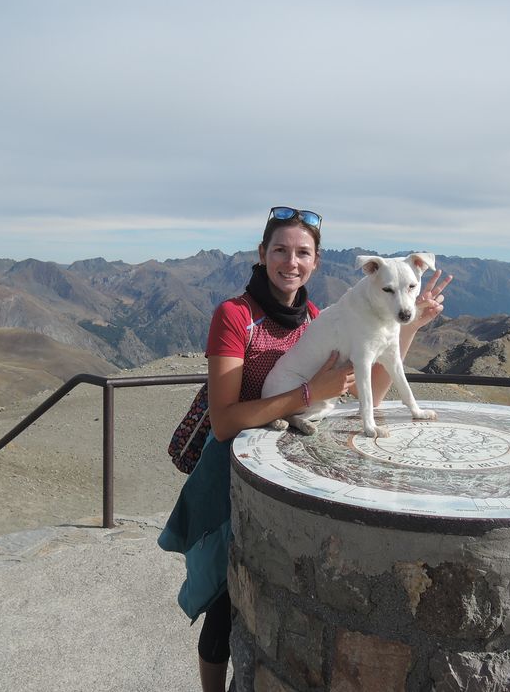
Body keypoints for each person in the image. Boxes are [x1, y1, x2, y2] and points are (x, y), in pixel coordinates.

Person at [158, 206, 451, 692]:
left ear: (315, 262)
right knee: (223, 597)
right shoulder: (235, 316)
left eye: (302, 253)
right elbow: (227, 419)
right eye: (280, 250)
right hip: (231, 470)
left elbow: (364, 396)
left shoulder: (320, 318)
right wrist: (310, 393)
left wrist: (410, 325)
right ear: (262, 254)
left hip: (287, 474)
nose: (290, 262)